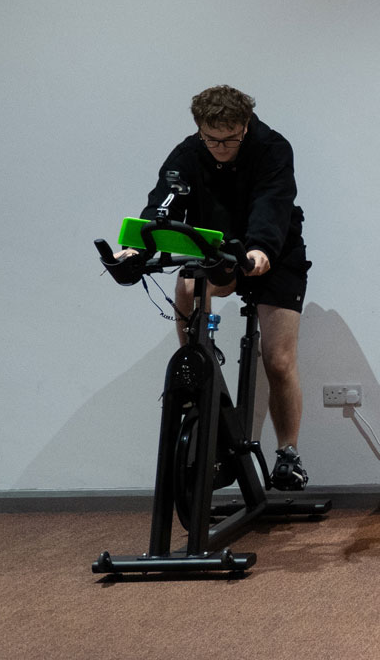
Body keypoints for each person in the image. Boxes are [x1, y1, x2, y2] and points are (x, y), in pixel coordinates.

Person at [121, 85, 313, 490]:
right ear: (200, 129)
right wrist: (134, 246)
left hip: (273, 251)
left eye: (230, 139)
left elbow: (272, 202)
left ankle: (288, 454)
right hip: (219, 249)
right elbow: (163, 204)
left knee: (277, 360)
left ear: (245, 125)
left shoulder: (272, 148)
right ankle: (195, 361)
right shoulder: (188, 153)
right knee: (188, 287)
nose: (220, 147)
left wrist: (260, 249)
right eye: (212, 139)